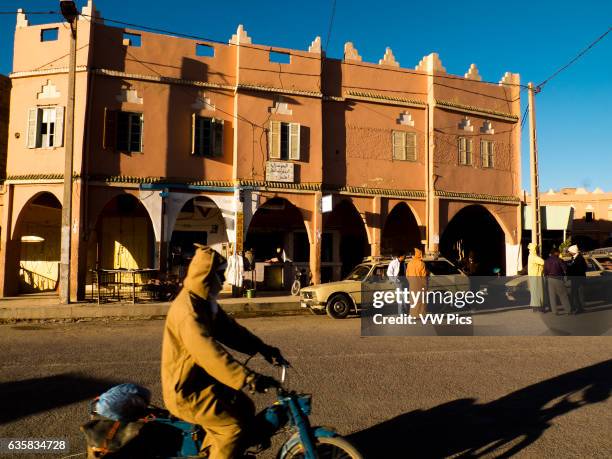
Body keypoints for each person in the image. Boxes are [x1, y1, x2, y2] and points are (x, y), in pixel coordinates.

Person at [161, 245, 289, 459]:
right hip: (186, 391)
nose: (223, 281)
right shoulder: (189, 312)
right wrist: (247, 378)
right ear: (206, 276)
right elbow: (209, 353)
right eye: (220, 275)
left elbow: (231, 331)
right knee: (232, 428)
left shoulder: (203, 302)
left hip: (201, 382)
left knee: (244, 407)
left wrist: (263, 348)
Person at [544, 247, 570, 315]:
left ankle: (555, 311)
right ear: (556, 253)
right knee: (563, 295)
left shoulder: (546, 261)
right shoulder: (559, 260)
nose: (559, 254)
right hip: (558, 279)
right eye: (559, 252)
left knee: (552, 296)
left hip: (550, 279)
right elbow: (565, 268)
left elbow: (545, 271)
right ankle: (568, 310)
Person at [406, 247, 428, 318]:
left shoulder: (409, 263)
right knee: (421, 301)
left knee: (413, 300)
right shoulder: (421, 264)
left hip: (412, 285)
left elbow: (407, 275)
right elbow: (424, 276)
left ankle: (413, 315)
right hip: (420, 285)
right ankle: (421, 315)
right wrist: (425, 286)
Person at [566, 244, 587, 314]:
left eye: (570, 252)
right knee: (575, 294)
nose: (569, 253)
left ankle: (579, 308)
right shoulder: (574, 258)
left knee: (578, 294)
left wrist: (571, 268)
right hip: (574, 279)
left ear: (573, 252)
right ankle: (578, 307)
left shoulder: (580, 259)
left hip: (578, 279)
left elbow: (582, 268)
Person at [527, 242, 545, 312]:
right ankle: (539, 307)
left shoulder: (530, 256)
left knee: (534, 292)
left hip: (532, 276)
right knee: (538, 292)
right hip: (536, 276)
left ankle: (535, 307)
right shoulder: (534, 257)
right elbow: (543, 262)